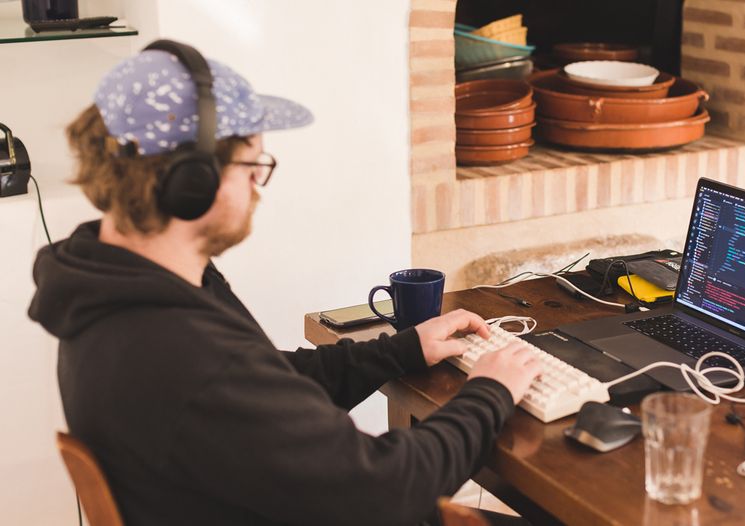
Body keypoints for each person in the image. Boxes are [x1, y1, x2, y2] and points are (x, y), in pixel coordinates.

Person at [28, 40, 541, 525]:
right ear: (191, 180)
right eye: (252, 164)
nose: (258, 184)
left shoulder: (113, 291)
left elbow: (266, 382)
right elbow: (386, 489)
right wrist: (490, 391)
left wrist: (403, 350)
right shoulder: (182, 351)